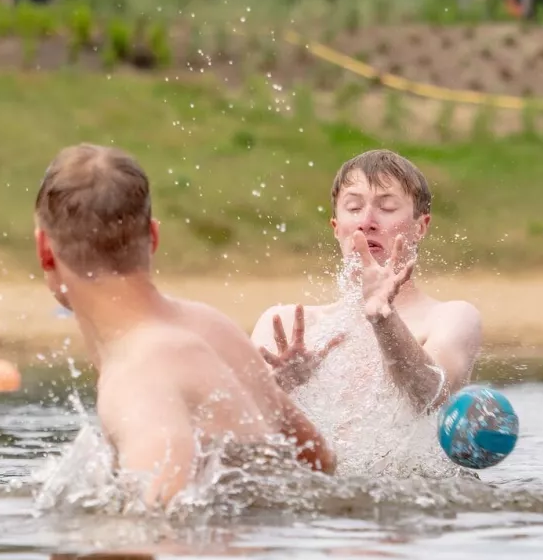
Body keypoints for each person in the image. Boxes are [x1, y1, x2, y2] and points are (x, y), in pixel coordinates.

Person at [34, 144, 334, 508]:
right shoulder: (210, 326)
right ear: (154, 237)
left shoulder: (137, 379)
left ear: (45, 250)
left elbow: (165, 525)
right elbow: (318, 460)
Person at [251, 149, 483, 419]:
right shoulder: (285, 325)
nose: (366, 222)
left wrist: (383, 319)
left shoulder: (452, 317)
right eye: (354, 208)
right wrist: (280, 386)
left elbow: (429, 399)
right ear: (337, 227)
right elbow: (238, 429)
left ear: (421, 227)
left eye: (386, 207)